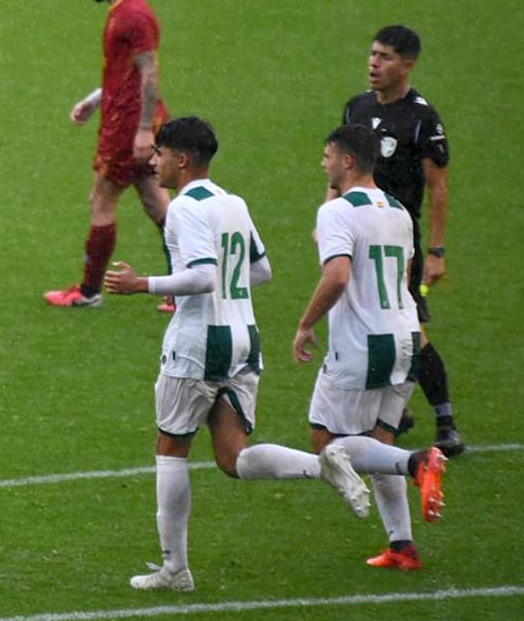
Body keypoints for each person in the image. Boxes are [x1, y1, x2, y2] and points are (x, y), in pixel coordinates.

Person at [105, 117, 371, 592]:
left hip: (198, 342)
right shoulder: (234, 202)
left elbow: (204, 276)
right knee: (233, 458)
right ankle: (321, 466)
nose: (153, 161)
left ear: (181, 160)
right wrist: (226, 287)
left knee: (171, 449)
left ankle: (175, 569)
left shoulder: (184, 209)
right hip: (244, 337)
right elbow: (263, 270)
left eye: (160, 153)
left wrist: (140, 284)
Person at [296, 124, 448, 570]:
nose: (322, 164)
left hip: (362, 346)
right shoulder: (399, 211)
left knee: (327, 444)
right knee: (379, 443)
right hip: (405, 339)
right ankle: (402, 546)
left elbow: (338, 276)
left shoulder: (338, 212)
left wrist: (306, 324)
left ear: (346, 161)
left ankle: (420, 462)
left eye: (327, 156)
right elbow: (401, 278)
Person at [331, 25, 464, 456]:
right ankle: (394, 412)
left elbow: (438, 187)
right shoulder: (357, 106)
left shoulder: (422, 118)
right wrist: (327, 211)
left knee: (411, 330)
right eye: (372, 54)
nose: (374, 63)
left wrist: (438, 252)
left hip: (395, 242)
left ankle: (445, 422)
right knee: (357, 318)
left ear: (407, 65)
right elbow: (339, 164)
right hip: (354, 236)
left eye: (385, 57)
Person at [45, 0, 171, 310]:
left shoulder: (135, 15)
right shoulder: (124, 11)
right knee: (155, 201)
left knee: (101, 201)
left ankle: (88, 291)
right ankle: (183, 288)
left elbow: (150, 73)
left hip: (129, 125)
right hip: (128, 117)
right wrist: (95, 99)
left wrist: (144, 129)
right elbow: (126, 72)